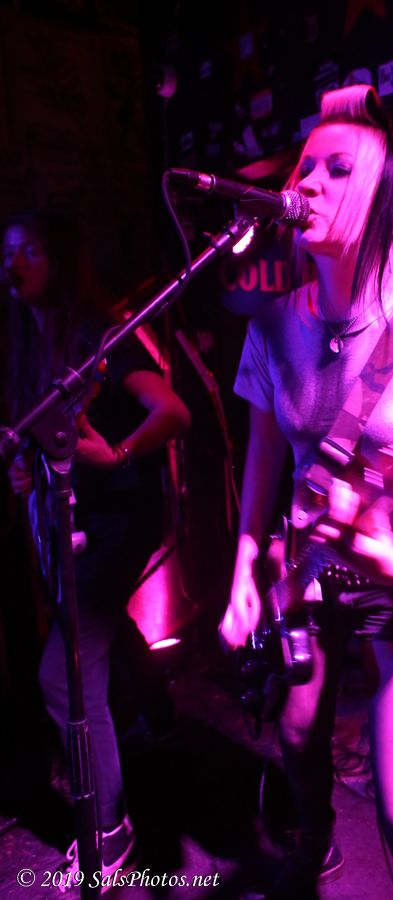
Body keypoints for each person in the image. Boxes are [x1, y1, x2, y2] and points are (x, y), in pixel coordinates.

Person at [219, 84, 393, 900]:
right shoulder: (272, 325)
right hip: (307, 573)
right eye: (305, 167)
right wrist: (245, 570)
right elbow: (263, 463)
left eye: (337, 170)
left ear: (391, 201)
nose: (306, 183)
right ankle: (312, 849)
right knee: (295, 734)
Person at [1, 209, 191, 885]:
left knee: (63, 675)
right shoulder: (24, 341)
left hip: (118, 520)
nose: (12, 264)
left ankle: (111, 835)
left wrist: (118, 454)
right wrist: (24, 468)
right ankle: (157, 711)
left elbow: (173, 412)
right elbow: (39, 436)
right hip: (70, 518)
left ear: (57, 257)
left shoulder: (99, 335)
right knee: (94, 635)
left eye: (27, 251)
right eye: (6, 253)